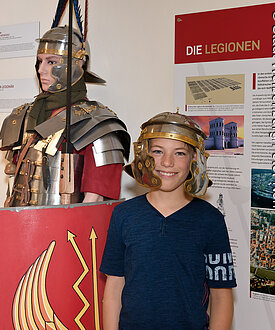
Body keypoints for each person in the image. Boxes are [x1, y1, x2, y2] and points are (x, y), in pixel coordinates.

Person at [100, 112, 237, 329]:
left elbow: (221, 296)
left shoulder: (210, 220)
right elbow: (115, 287)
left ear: (195, 157)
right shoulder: (123, 215)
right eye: (157, 151)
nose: (167, 162)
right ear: (144, 155)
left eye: (180, 153)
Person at [0, 26, 130, 206]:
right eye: (40, 61)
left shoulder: (97, 123)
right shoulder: (25, 115)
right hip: (22, 225)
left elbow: (95, 201)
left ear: (79, 63)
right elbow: (14, 178)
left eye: (51, 62)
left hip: (65, 229)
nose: (41, 70)